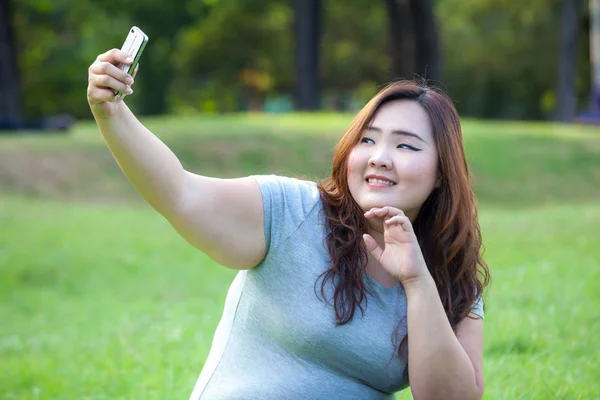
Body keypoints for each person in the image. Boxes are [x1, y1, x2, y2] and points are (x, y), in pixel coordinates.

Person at [87, 49, 490, 400]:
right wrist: (110, 112)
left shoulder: (451, 279)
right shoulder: (293, 213)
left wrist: (418, 282)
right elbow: (181, 193)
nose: (379, 157)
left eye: (404, 145)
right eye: (367, 140)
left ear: (441, 172)